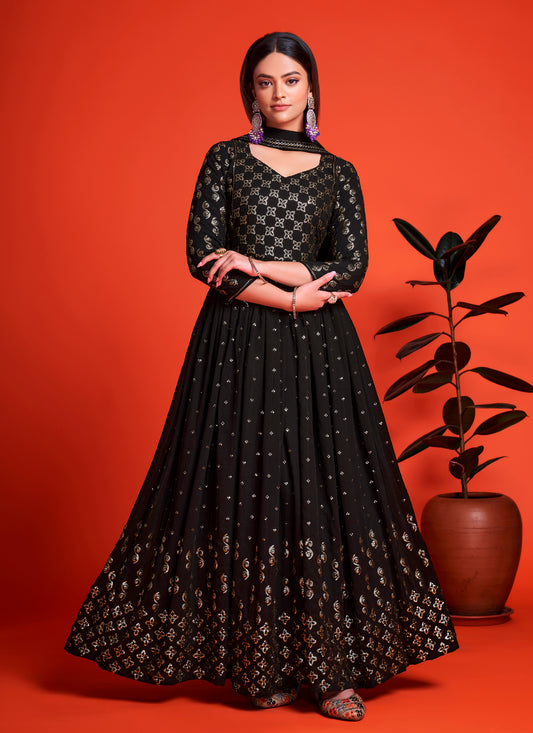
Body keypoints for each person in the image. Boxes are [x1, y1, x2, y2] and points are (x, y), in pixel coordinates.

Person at [65, 31, 458, 722]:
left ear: (312, 88)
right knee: (241, 487)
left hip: (321, 352)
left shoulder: (338, 172)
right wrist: (289, 296)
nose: (278, 93)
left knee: (326, 490)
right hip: (236, 343)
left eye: (290, 80)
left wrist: (261, 264)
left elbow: (352, 266)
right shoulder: (223, 159)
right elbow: (202, 257)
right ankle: (259, 663)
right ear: (250, 91)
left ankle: (333, 669)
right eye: (264, 82)